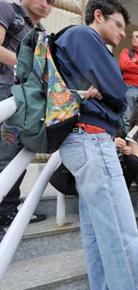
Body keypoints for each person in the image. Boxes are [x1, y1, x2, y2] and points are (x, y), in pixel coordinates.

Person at [54, 1, 138, 288]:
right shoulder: (84, 36)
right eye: (118, 25)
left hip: (86, 140)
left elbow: (112, 92)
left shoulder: (81, 41)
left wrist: (107, 93)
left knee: (98, 233)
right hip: (90, 139)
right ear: (98, 16)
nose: (122, 33)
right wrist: (110, 93)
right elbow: (119, 91)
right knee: (122, 232)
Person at [0, 0, 53, 233]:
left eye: (51, 1)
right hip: (5, 92)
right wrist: (28, 64)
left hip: (26, 100)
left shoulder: (42, 33)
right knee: (6, 154)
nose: (46, 3)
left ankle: (8, 209)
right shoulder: (7, 9)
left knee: (16, 154)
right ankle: (5, 210)